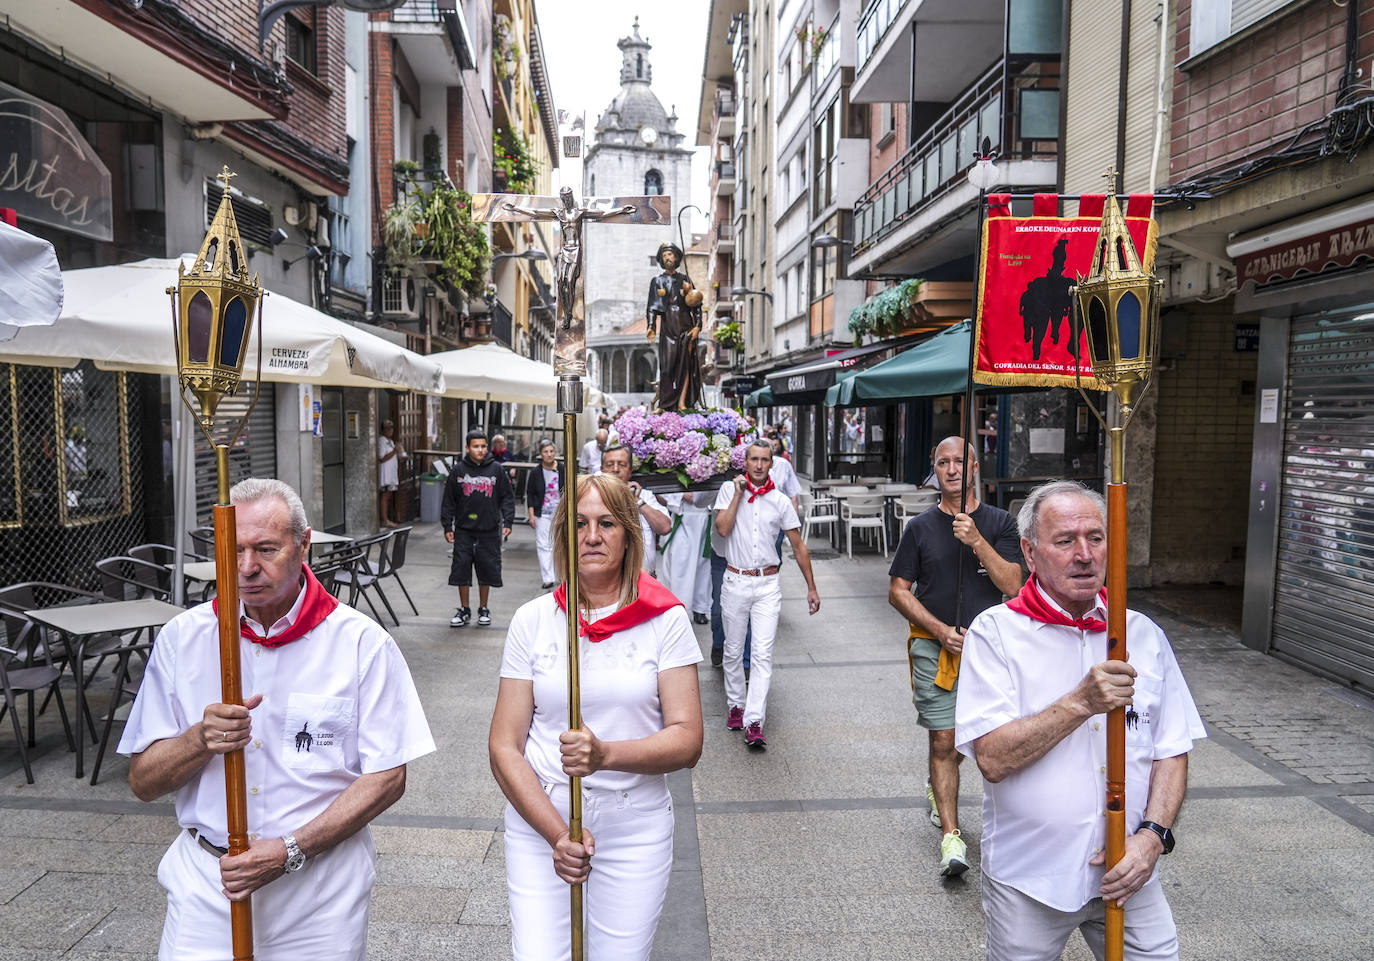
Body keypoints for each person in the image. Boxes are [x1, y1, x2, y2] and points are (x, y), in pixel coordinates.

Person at [118, 478, 434, 961]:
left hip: (320, 891)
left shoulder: (360, 643)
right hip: (208, 883)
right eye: (235, 549)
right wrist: (199, 740)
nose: (247, 567)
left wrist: (291, 848)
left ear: (303, 544)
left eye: (266, 549)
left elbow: (388, 776)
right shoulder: (185, 638)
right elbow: (142, 780)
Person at [956, 480, 1206, 961]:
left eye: (1095, 537)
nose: (1085, 554)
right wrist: (1079, 703)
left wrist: (1153, 838)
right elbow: (991, 757)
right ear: (1030, 552)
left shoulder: (1141, 633)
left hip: (1130, 869)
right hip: (1029, 880)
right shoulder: (996, 634)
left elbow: (1171, 748)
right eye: (1065, 540)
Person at [489, 472, 704, 961]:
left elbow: (688, 739)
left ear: (629, 534)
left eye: (607, 523)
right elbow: (504, 744)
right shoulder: (533, 620)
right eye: (580, 524)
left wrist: (605, 754)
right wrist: (556, 834)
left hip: (635, 826)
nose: (592, 537)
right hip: (543, 820)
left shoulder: (666, 619)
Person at [887, 436, 1023, 879]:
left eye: (959, 462)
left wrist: (977, 541)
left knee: (983, 740)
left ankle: (937, 781)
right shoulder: (921, 528)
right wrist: (941, 631)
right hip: (934, 646)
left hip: (993, 651)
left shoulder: (1001, 523)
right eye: (942, 461)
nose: (951, 469)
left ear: (975, 468)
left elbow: (1014, 587)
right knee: (944, 741)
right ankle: (952, 836)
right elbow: (898, 591)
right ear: (934, 468)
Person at [712, 440, 821, 749]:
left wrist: (811, 588)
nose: (759, 465)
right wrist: (737, 494)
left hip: (768, 585)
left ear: (772, 464)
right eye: (754, 459)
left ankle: (754, 720)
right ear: (745, 462)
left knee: (762, 654)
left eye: (764, 460)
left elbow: (799, 546)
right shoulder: (727, 491)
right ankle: (735, 704)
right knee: (733, 651)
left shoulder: (780, 501)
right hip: (736, 580)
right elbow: (722, 528)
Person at [441, 429, 516, 628]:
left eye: (483, 446)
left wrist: (508, 522)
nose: (481, 450)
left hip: (489, 529)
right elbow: (449, 500)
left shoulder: (497, 470)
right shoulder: (457, 471)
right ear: (467, 448)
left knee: (486, 569)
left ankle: (484, 608)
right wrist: (447, 525)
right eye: (476, 446)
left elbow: (507, 497)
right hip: (464, 530)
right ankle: (464, 609)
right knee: (461, 568)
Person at [645, 243, 703, 412]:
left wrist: (698, 326)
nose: (667, 258)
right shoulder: (657, 281)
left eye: (670, 254)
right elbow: (652, 307)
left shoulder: (685, 280)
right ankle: (666, 404)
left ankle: (682, 402)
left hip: (686, 327)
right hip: (668, 326)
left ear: (676, 257)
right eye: (664, 256)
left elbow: (697, 305)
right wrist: (651, 326)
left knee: (685, 366)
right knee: (668, 366)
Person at [600, 445, 672, 574]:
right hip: (605, 581)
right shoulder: (592, 497)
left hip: (644, 580)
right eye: (610, 464)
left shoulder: (645, 496)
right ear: (602, 469)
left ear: (630, 470)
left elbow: (665, 527)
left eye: (622, 464)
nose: (615, 469)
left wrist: (638, 502)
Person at [659, 490, 712, 624]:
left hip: (706, 516)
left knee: (704, 567)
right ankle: (681, 609)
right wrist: (680, 494)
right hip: (684, 517)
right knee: (681, 565)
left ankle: (700, 608)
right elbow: (663, 491)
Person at [525, 440, 565, 590]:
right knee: (543, 545)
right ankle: (548, 578)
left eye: (551, 451)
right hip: (542, 513)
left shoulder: (562, 469)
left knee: (560, 544)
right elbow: (530, 494)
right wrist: (531, 515)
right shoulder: (536, 472)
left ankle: (560, 574)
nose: (549, 454)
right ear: (540, 454)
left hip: (561, 513)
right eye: (545, 452)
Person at [377, 419, 404, 527]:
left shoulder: (391, 442)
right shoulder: (382, 441)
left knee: (388, 496)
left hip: (391, 474)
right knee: (384, 496)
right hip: (385, 474)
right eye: (387, 428)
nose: (390, 430)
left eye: (391, 428)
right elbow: (382, 458)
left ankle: (386, 518)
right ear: (383, 430)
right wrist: (394, 451)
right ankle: (384, 519)